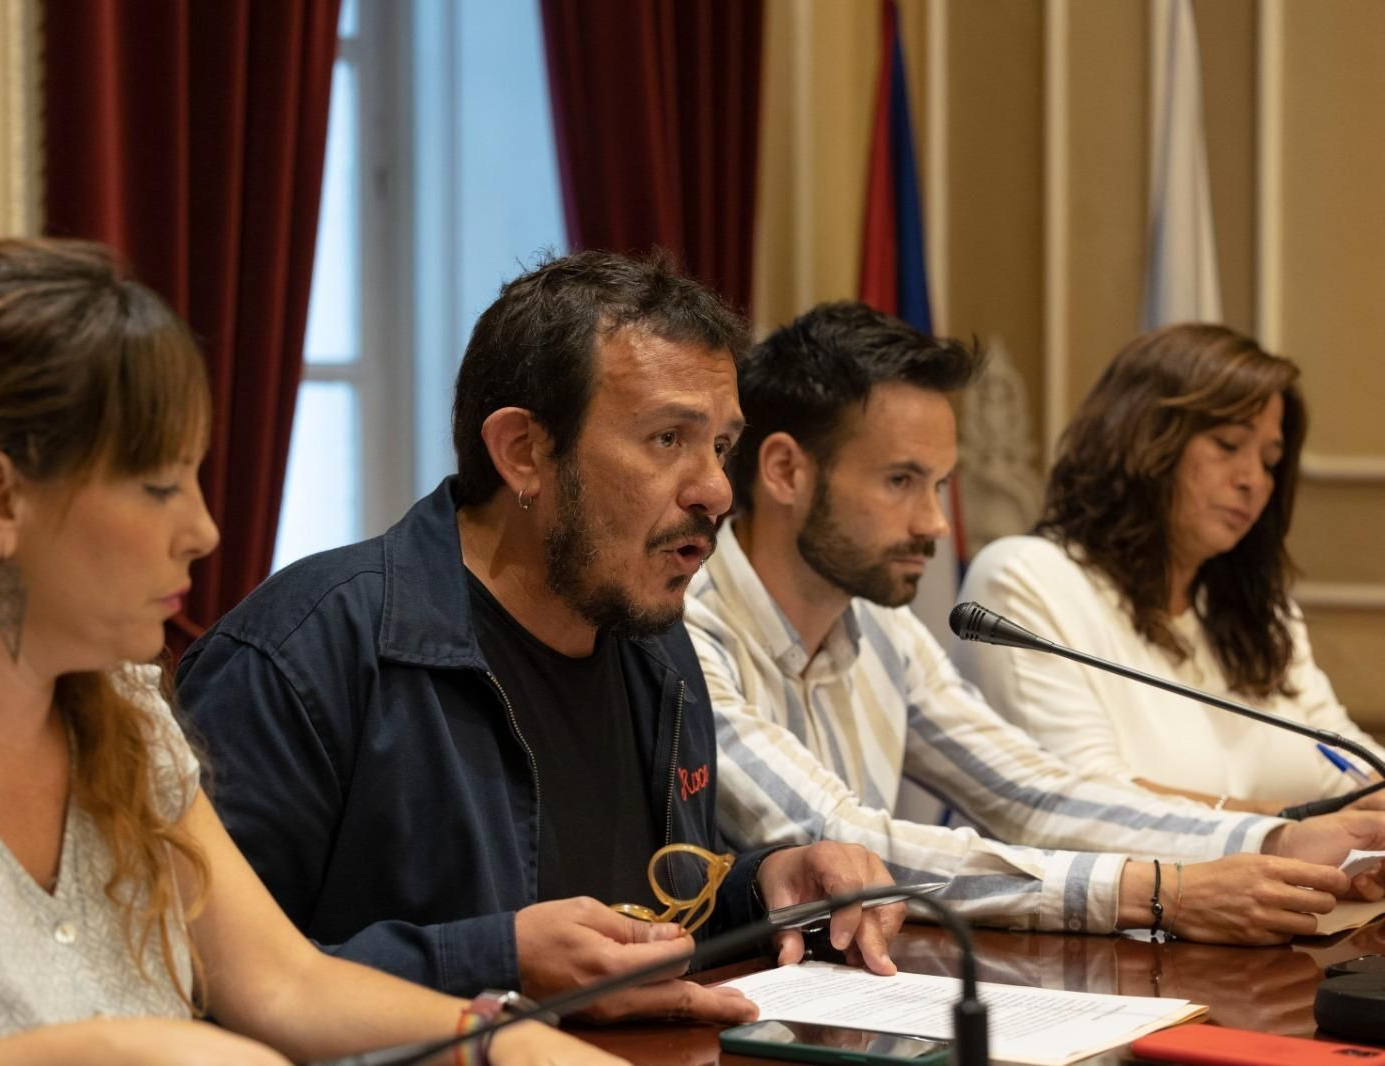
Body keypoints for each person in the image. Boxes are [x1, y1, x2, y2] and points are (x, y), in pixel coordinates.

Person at [0, 239, 611, 1064]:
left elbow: (284, 985)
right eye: (159, 487)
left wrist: (491, 1039)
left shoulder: (119, 712)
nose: (205, 530)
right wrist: (112, 1052)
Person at [175, 252, 905, 1025]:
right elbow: (188, 973)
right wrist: (494, 960)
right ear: (523, 451)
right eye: (667, 439)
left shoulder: (655, 647)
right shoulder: (304, 655)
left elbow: (635, 914)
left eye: (721, 446)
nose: (718, 490)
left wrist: (762, 886)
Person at [686, 301, 1385, 947]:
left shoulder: (882, 630)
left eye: (939, 486)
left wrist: (1269, 843)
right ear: (783, 471)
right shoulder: (687, 627)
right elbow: (844, 844)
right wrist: (1159, 890)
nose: (934, 523)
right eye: (900, 481)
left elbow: (1033, 794)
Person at [956, 323, 1385, 814]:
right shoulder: (1025, 582)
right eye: (1227, 445)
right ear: (1145, 440)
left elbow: (1348, 763)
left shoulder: (1261, 612)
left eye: (1270, 461)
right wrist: (1292, 827)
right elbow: (1084, 806)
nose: (1253, 481)